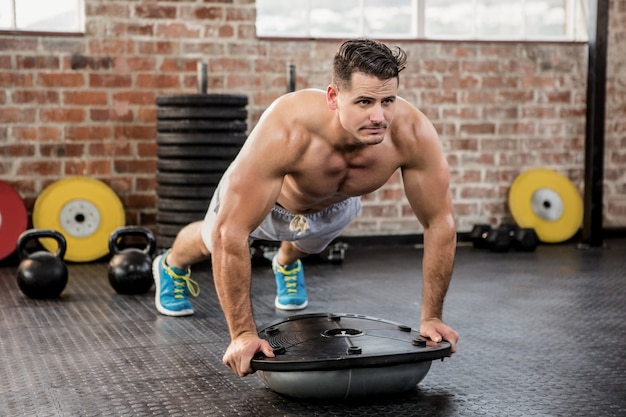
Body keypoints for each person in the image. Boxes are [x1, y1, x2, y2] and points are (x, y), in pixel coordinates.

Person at [152, 38, 459, 377]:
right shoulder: (289, 128)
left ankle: (285, 262)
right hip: (272, 206)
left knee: (305, 246)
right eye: (364, 101)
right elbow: (232, 231)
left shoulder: (413, 134)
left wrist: (432, 317)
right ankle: (170, 265)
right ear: (333, 97)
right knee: (210, 239)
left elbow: (439, 223)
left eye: (388, 100)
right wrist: (242, 335)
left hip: (335, 209)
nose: (379, 116)